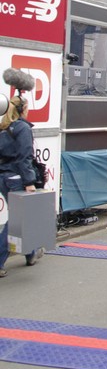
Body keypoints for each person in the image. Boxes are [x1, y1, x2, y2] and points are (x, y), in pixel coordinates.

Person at [0, 93, 42, 275]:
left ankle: (31, 253)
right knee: (18, 219)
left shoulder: (3, 128)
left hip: (4, 177)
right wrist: (29, 182)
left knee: (23, 216)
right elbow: (25, 157)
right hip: (17, 178)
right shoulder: (23, 128)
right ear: (23, 109)